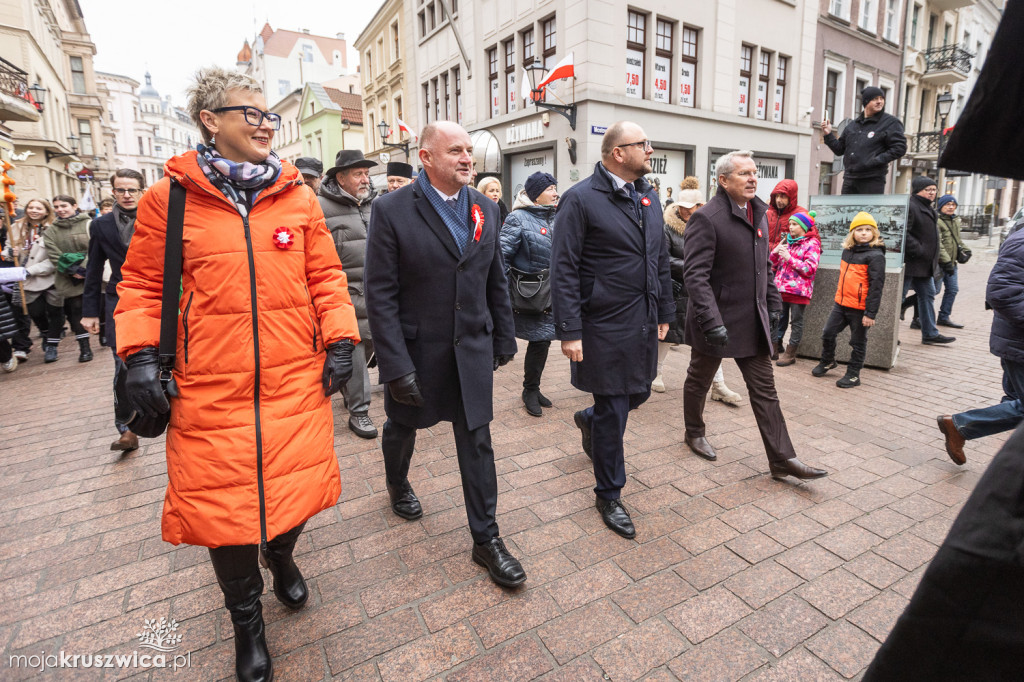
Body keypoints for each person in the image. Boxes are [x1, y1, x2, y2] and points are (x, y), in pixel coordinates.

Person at [115, 66, 359, 682]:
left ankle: (282, 555)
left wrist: (339, 338)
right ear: (210, 120)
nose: (264, 124)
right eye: (249, 113)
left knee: (295, 489)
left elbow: (325, 276)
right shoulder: (167, 198)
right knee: (223, 508)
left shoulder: (297, 195)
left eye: (268, 115)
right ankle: (246, 623)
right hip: (209, 384)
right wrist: (139, 356)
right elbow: (142, 285)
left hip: (293, 376)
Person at [364, 121, 526, 588]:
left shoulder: (485, 208)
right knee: (403, 427)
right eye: (455, 150)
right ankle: (397, 481)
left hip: (471, 347)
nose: (467, 159)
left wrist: (503, 335)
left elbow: (495, 275)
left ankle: (486, 539)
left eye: (469, 151)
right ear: (426, 157)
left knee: (477, 440)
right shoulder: (392, 210)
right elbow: (381, 294)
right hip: (419, 351)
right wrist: (394, 365)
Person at [551, 120, 675, 539]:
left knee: (637, 391)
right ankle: (609, 493)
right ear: (617, 152)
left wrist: (664, 312)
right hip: (601, 322)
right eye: (644, 143)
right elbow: (563, 267)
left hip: (642, 318)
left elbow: (658, 258)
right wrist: (569, 329)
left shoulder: (648, 197)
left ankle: (591, 420)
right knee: (616, 404)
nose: (651, 149)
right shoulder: (580, 199)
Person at [682, 150, 826, 480]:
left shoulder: (758, 213)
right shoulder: (707, 218)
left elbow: (764, 267)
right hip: (715, 321)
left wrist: (774, 305)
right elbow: (696, 276)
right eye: (744, 173)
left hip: (751, 321)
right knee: (700, 379)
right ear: (723, 180)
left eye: (754, 172)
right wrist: (711, 321)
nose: (753, 179)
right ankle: (694, 431)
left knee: (765, 390)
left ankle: (781, 459)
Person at [936, 225, 1024, 465]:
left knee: (1015, 403)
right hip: (1018, 342)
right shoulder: (1022, 241)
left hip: (1015, 342)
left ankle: (1007, 461)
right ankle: (960, 425)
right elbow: (1003, 292)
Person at [654, 177, 743, 405]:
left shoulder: (710, 225)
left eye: (689, 208)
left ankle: (718, 385)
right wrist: (693, 266)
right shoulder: (668, 229)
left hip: (703, 292)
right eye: (681, 208)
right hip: (677, 290)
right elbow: (662, 259)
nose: (685, 212)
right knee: (667, 335)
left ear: (700, 207)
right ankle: (656, 373)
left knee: (711, 336)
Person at [81, 169, 146, 454]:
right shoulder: (101, 225)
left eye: (132, 189)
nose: (127, 195)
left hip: (158, 298)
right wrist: (89, 312)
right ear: (113, 192)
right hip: (119, 301)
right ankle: (127, 430)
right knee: (122, 366)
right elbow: (94, 270)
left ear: (142, 190)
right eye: (121, 190)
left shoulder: (161, 217)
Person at [318, 149, 379, 439]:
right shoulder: (320, 207)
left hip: (377, 293)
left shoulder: (377, 204)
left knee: (368, 349)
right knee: (354, 353)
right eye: (358, 173)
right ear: (340, 178)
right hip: (344, 294)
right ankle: (359, 412)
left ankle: (348, 387)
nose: (365, 179)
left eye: (367, 173)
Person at [500, 171, 558, 416]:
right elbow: (501, 256)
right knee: (538, 340)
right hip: (529, 293)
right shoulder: (517, 218)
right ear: (535, 196)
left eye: (556, 187)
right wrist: (502, 294)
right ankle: (529, 390)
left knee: (542, 341)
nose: (556, 192)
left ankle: (532, 388)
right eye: (550, 189)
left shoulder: (557, 217)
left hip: (552, 294)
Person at [811, 212, 885, 388]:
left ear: (874, 233)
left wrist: (870, 313)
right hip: (841, 304)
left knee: (857, 342)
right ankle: (828, 360)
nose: (864, 233)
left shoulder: (876, 256)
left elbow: (876, 287)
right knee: (828, 333)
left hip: (860, 308)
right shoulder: (848, 251)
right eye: (859, 229)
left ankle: (853, 374)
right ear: (853, 233)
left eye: (868, 229)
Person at [821, 86, 907, 194]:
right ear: (866, 101)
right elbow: (839, 150)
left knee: (868, 211)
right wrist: (828, 133)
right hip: (850, 178)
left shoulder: (891, 122)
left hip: (872, 179)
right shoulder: (853, 125)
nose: (879, 102)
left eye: (882, 98)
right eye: (875, 99)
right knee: (847, 210)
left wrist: (875, 160)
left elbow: (900, 148)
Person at [904, 176, 955, 345]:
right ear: (918, 190)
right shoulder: (911, 206)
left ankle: (930, 333)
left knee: (928, 296)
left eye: (934, 189)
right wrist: (919, 249)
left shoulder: (930, 209)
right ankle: (884, 334)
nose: (932, 193)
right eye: (928, 189)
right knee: (899, 299)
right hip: (911, 263)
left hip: (925, 265)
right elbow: (905, 233)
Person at [5, 198, 58, 362]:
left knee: (55, 311)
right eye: (31, 207)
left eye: (38, 208)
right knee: (36, 312)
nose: (34, 210)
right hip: (27, 280)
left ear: (46, 211)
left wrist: (30, 271)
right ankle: (46, 332)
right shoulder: (16, 227)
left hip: (50, 276)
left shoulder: (54, 227)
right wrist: (9, 252)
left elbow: (54, 257)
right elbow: (8, 249)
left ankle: (52, 344)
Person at [770, 211, 821, 367]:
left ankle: (791, 353)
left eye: (794, 224)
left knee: (796, 322)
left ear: (803, 226)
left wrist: (789, 258)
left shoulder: (812, 244)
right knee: (777, 319)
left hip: (799, 291)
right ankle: (774, 348)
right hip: (781, 288)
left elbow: (809, 269)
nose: (790, 227)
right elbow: (773, 263)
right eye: (790, 224)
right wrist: (776, 251)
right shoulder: (787, 241)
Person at [45, 194, 92, 363]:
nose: (60, 210)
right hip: (67, 277)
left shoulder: (89, 224)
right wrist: (72, 270)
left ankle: (105, 335)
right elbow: (53, 254)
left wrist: (84, 268)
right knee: (76, 311)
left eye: (64, 206)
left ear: (74, 205)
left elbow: (95, 247)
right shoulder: (50, 231)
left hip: (92, 274)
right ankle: (84, 347)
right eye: (56, 207)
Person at [935, 194, 965, 329]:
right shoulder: (937, 221)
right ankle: (910, 311)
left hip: (952, 263)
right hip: (939, 263)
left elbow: (957, 240)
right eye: (948, 204)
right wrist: (946, 261)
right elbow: (938, 244)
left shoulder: (956, 220)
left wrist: (966, 250)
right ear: (941, 206)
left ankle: (944, 317)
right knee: (934, 291)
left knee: (952, 290)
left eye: (953, 205)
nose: (951, 207)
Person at [764, 179, 806, 252]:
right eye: (776, 196)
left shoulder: (801, 214)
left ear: (791, 197)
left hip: (788, 259)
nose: (778, 200)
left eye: (782, 196)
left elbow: (813, 240)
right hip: (767, 258)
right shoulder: (768, 213)